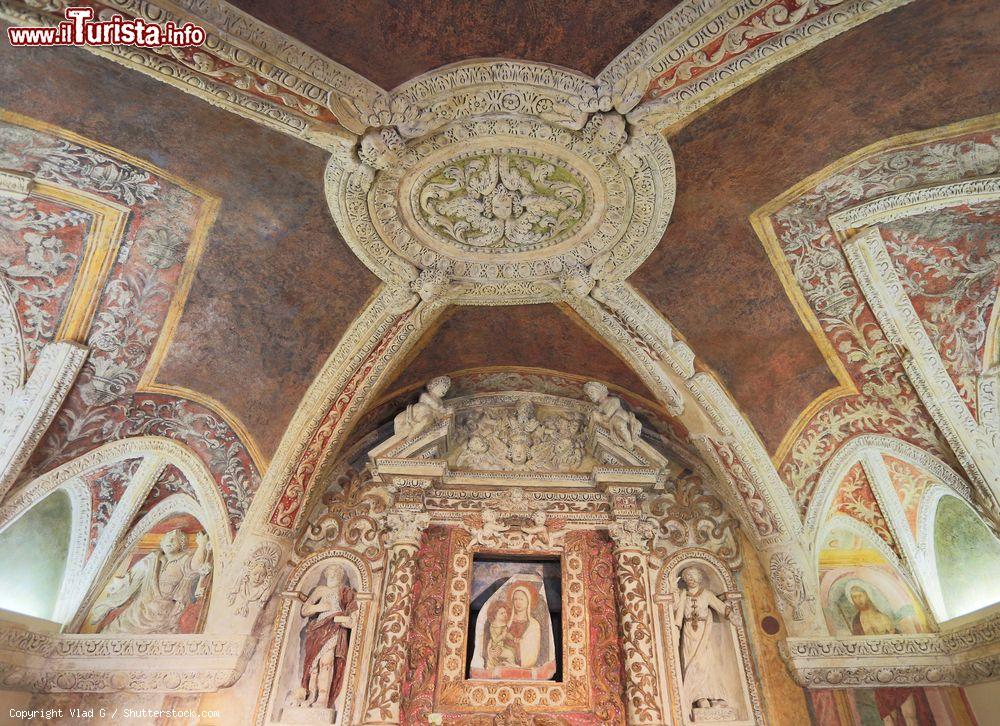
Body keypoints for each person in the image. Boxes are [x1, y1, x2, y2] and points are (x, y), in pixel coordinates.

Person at [90, 528, 211, 634]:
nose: (169, 542)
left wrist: (201, 545)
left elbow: (196, 566)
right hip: (138, 609)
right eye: (167, 539)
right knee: (113, 631)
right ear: (162, 544)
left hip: (161, 613)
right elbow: (132, 577)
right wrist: (120, 583)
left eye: (174, 540)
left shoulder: (183, 561)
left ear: (181, 545)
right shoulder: (152, 559)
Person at [672, 566, 735, 712]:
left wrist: (732, 615)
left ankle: (710, 695)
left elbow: (720, 606)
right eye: (688, 577)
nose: (691, 579)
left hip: (703, 632)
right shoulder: (683, 595)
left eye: (693, 575)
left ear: (699, 578)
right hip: (688, 634)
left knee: (705, 662)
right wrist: (676, 630)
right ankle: (698, 698)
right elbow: (679, 615)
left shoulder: (706, 594)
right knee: (690, 662)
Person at [299, 564, 357, 710]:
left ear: (340, 577)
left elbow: (353, 617)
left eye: (335, 574)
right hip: (318, 629)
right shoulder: (321, 590)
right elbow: (305, 610)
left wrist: (343, 619)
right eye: (330, 574)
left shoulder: (345, 591)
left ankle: (322, 699)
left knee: (327, 662)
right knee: (313, 666)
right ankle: (311, 696)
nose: (332, 577)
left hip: (334, 628)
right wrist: (319, 607)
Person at [507, 585, 542, 667]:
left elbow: (533, 648)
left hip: (524, 664)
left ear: (528, 601)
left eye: (521, 599)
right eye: (515, 599)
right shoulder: (507, 621)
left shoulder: (533, 624)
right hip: (505, 662)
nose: (518, 602)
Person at [485, 603, 517, 669]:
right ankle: (512, 668)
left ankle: (510, 668)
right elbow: (495, 640)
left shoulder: (503, 624)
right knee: (510, 654)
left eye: (505, 612)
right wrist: (502, 635)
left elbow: (507, 634)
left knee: (512, 652)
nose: (505, 614)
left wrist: (513, 638)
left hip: (500, 647)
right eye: (502, 613)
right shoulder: (494, 626)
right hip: (495, 647)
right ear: (495, 615)